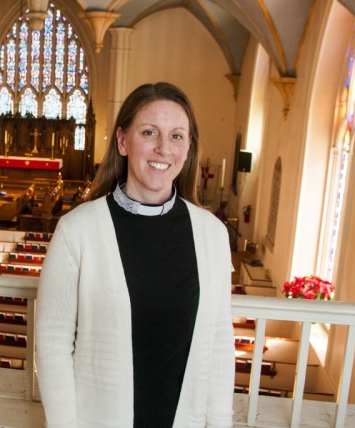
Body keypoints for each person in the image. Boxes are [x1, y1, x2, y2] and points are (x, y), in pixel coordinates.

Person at [35, 82, 234, 427]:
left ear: (188, 149)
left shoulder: (212, 235)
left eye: (176, 136)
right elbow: (52, 344)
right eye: (149, 132)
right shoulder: (77, 230)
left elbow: (219, 343)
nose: (163, 148)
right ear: (123, 141)